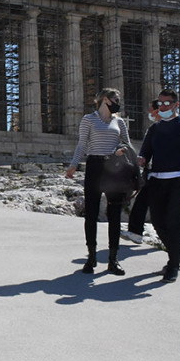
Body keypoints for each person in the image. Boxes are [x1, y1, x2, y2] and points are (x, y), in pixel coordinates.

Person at [138, 88, 180, 283]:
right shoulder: (154, 129)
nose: (163, 106)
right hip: (157, 179)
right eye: (160, 103)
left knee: (173, 222)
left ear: (176, 104)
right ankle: (177, 254)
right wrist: (141, 159)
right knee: (158, 222)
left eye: (167, 103)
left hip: (179, 179)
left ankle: (173, 265)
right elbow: (146, 152)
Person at [65, 88, 131, 275]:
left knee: (115, 214)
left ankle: (113, 259)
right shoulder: (89, 119)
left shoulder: (119, 121)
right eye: (115, 99)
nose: (117, 102)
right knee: (91, 213)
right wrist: (73, 164)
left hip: (114, 168)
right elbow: (82, 143)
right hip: (94, 166)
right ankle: (91, 257)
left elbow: (127, 143)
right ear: (104, 100)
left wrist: (121, 150)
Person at [122, 99, 180, 245]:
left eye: (151, 110)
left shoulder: (179, 127)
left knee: (167, 205)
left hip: (166, 174)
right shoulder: (154, 128)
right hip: (154, 173)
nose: (149, 112)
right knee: (146, 202)